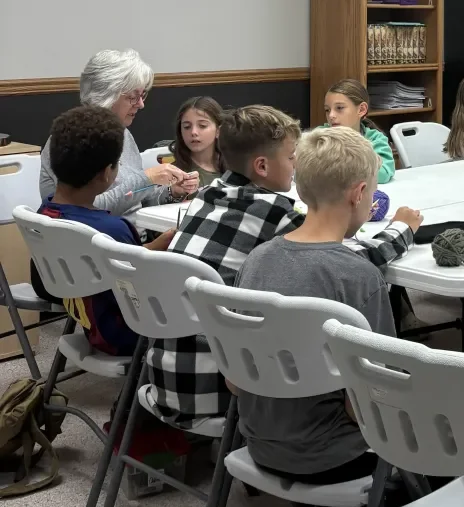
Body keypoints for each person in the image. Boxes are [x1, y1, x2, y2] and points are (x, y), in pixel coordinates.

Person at [233, 126, 453, 507]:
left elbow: (234, 380)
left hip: (260, 441)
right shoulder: (357, 275)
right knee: (454, 425)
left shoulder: (257, 260)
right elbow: (381, 399)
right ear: (359, 194)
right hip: (333, 459)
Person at [146, 105, 419, 431]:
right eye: (291, 157)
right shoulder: (273, 212)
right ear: (262, 166)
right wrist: (402, 229)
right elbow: (348, 263)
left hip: (164, 376)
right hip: (226, 389)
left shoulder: (206, 195)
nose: (296, 165)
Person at [32, 107, 172, 354]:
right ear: (108, 173)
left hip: (93, 322)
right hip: (128, 333)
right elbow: (139, 279)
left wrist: (157, 244)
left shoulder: (45, 213)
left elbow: (118, 259)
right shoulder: (111, 229)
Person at [39, 49, 198, 213]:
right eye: (133, 97)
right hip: (97, 228)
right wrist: (147, 179)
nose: (141, 104)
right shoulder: (71, 141)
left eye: (143, 95)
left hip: (131, 226)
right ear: (106, 95)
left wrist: (172, 192)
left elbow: (137, 199)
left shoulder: (123, 133)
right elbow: (88, 208)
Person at [323, 79, 395, 184]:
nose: (331, 115)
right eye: (327, 110)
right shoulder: (318, 138)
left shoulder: (375, 139)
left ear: (361, 110)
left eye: (339, 108)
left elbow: (383, 174)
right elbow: (304, 173)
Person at [170, 96, 224, 188]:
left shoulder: (236, 167)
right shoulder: (174, 173)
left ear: (218, 130)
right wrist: (174, 192)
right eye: (187, 127)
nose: (193, 132)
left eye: (202, 126)